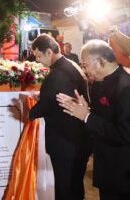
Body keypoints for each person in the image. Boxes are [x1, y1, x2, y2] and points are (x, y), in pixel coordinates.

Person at [57, 40, 130, 199]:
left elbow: (127, 134)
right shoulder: (98, 84)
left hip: (128, 174)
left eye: (85, 64)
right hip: (109, 169)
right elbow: (100, 118)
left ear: (101, 62)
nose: (84, 69)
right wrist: (86, 110)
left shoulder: (128, 88)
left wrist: (87, 116)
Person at [27, 34, 90, 200]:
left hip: (66, 141)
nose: (38, 60)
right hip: (78, 139)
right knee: (75, 186)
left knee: (65, 189)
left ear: (49, 52)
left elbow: (46, 105)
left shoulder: (58, 74)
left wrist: (28, 113)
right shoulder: (70, 65)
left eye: (39, 56)